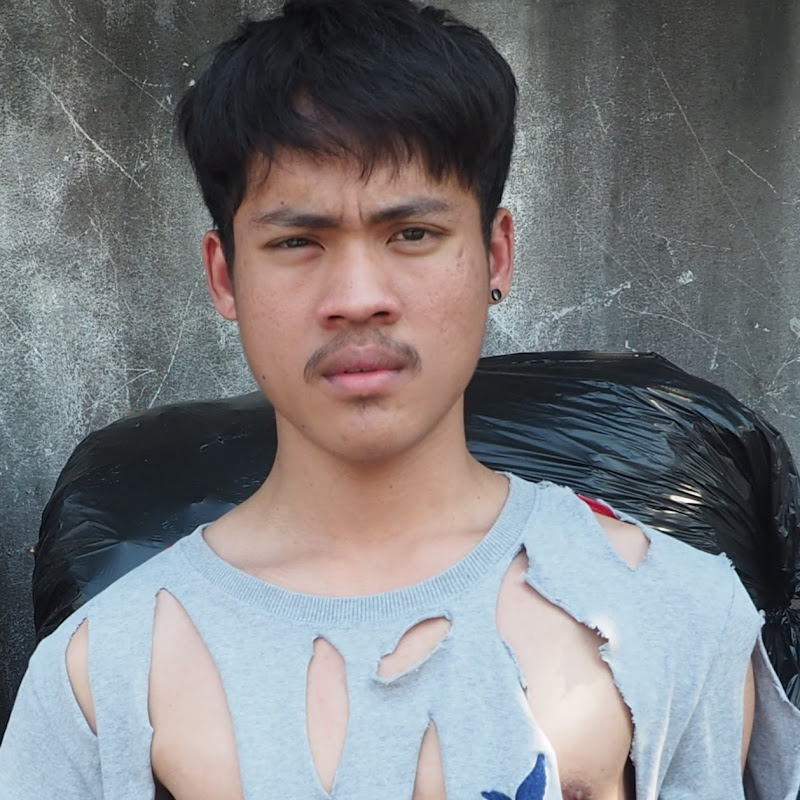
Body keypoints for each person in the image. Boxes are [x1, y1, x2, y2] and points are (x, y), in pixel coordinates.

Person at [1, 1, 799, 798]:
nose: (358, 297)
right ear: (224, 275)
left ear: (495, 254)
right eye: (297, 241)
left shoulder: (672, 606)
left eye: (412, 233)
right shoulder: (101, 675)